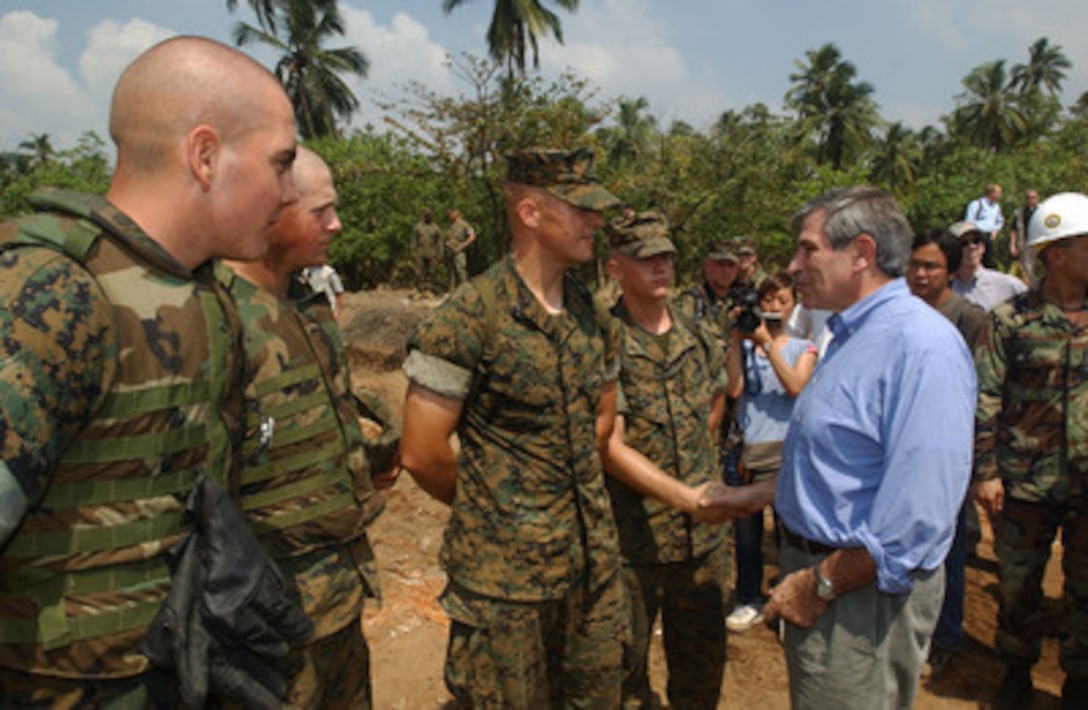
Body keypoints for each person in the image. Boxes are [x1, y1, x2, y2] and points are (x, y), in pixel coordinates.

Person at [0, 36, 299, 706]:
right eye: (280, 163)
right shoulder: (48, 292)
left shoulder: (205, 296)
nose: (287, 192)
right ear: (204, 155)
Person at [715, 187, 976, 708]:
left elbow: (918, 515)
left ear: (861, 253)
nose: (793, 265)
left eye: (807, 250)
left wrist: (822, 584)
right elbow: (846, 461)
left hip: (859, 597)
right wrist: (758, 495)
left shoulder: (920, 346)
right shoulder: (855, 334)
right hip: (835, 581)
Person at [399, 147, 628, 708]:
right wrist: (498, 512)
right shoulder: (467, 317)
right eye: (581, 209)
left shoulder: (589, 309)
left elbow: (602, 420)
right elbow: (422, 452)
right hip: (503, 587)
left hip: (592, 564)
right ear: (530, 213)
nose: (595, 222)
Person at [219, 147, 398, 708]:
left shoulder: (307, 310)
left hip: (337, 602)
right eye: (322, 210)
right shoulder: (214, 320)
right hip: (264, 619)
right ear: (270, 206)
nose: (336, 224)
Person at [599, 211, 732, 708]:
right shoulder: (605, 338)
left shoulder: (696, 334)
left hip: (703, 542)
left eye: (667, 257)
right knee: (624, 672)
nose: (661, 268)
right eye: (646, 258)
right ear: (616, 268)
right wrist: (682, 493)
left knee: (701, 672)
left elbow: (717, 400)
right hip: (635, 540)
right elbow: (609, 445)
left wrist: (697, 475)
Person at [974, 191, 1088, 709]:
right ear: (1055, 253)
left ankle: (1079, 684)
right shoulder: (1010, 320)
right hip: (1025, 481)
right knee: (1018, 588)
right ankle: (1015, 674)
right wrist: (987, 472)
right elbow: (984, 397)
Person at [906, 228, 987, 679]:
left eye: (931, 266)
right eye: (914, 264)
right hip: (904, 451)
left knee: (946, 548)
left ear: (952, 271)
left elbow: (978, 392)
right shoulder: (899, 314)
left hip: (947, 451)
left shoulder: (967, 318)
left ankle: (947, 636)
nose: (920, 274)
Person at [724, 272, 816, 633]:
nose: (773, 307)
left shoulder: (803, 347)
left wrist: (769, 344)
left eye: (782, 301)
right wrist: (738, 339)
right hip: (748, 451)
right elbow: (734, 390)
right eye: (767, 301)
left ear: (794, 304)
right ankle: (748, 598)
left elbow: (796, 387)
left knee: (787, 534)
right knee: (746, 535)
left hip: (786, 454)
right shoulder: (745, 348)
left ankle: (785, 602)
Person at [950, 220, 1028, 311]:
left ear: (983, 248)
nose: (972, 247)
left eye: (976, 241)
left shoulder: (1009, 286)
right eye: (964, 243)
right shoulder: (944, 289)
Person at [965, 183, 1004, 268]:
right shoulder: (977, 204)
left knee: (988, 260)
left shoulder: (996, 207)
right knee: (976, 259)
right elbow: (969, 221)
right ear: (991, 193)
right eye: (998, 193)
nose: (999, 195)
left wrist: (995, 231)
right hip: (978, 234)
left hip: (989, 236)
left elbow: (999, 221)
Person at [1009, 189, 1041, 286]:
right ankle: (1031, 287)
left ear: (1038, 198)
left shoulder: (1043, 211)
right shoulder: (1020, 213)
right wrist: (1012, 245)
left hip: (1040, 242)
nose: (1031, 200)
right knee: (1027, 267)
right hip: (1025, 243)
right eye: (1029, 198)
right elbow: (1014, 229)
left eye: (1034, 197)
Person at [412, 209, 445, 293]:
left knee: (432, 272)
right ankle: (421, 288)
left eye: (429, 215)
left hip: (432, 253)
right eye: (426, 215)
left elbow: (439, 242)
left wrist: (440, 254)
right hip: (420, 252)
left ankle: (431, 289)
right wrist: (413, 252)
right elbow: (414, 240)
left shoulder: (436, 228)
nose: (427, 217)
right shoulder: (418, 227)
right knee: (420, 272)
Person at [446, 208, 476, 288]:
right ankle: (452, 291)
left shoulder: (464, 224)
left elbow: (472, 236)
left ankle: (466, 290)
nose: (450, 215)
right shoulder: (450, 225)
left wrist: (464, 245)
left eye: (452, 213)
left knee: (461, 271)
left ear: (456, 213)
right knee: (451, 273)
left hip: (459, 252)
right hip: (450, 252)